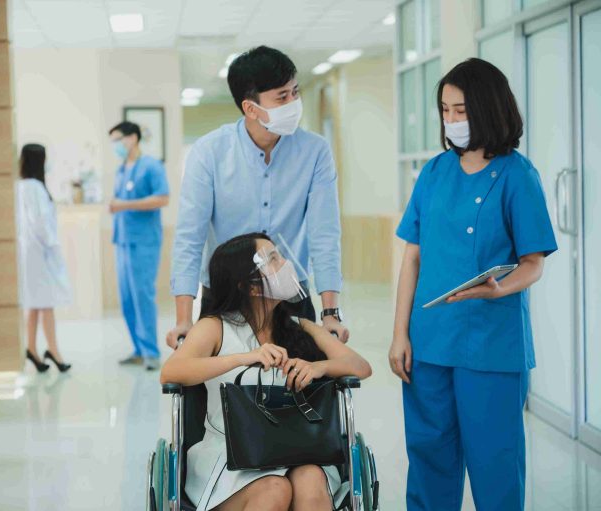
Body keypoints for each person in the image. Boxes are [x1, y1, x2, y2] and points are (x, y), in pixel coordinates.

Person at [389, 58, 557, 511]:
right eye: (445, 110)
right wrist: (399, 333)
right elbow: (412, 257)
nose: (452, 120)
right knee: (429, 462)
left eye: (461, 110)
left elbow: (533, 263)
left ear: (488, 107)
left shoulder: (518, 176)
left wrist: (501, 288)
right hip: (429, 344)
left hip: (491, 345)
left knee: (494, 464)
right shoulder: (434, 172)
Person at [161, 233, 371, 511]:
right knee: (275, 488)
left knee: (310, 478)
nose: (285, 264)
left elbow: (361, 366)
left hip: (297, 448)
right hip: (230, 456)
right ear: (249, 286)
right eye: (273, 259)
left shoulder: (300, 326)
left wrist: (318, 366)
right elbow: (171, 371)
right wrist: (244, 358)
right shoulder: (215, 327)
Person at [168, 46, 348, 350]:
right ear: (251, 108)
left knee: (298, 389)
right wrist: (184, 319)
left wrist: (330, 313)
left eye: (295, 92)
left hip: (290, 295)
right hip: (226, 296)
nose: (293, 102)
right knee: (221, 390)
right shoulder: (209, 153)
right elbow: (190, 237)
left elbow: (325, 234)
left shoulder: (315, 152)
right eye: (282, 97)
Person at [108, 121, 170, 371]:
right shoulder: (122, 169)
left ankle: (151, 353)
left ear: (132, 138)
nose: (115, 146)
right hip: (122, 240)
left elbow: (163, 198)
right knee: (127, 299)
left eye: (117, 140)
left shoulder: (151, 166)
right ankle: (138, 349)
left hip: (143, 241)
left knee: (143, 296)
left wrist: (123, 204)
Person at [17, 144, 72, 373]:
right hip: (39, 253)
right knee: (46, 304)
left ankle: (32, 349)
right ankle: (54, 352)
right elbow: (40, 222)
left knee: (35, 304)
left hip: (30, 252)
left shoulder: (22, 186)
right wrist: (53, 244)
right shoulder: (35, 187)